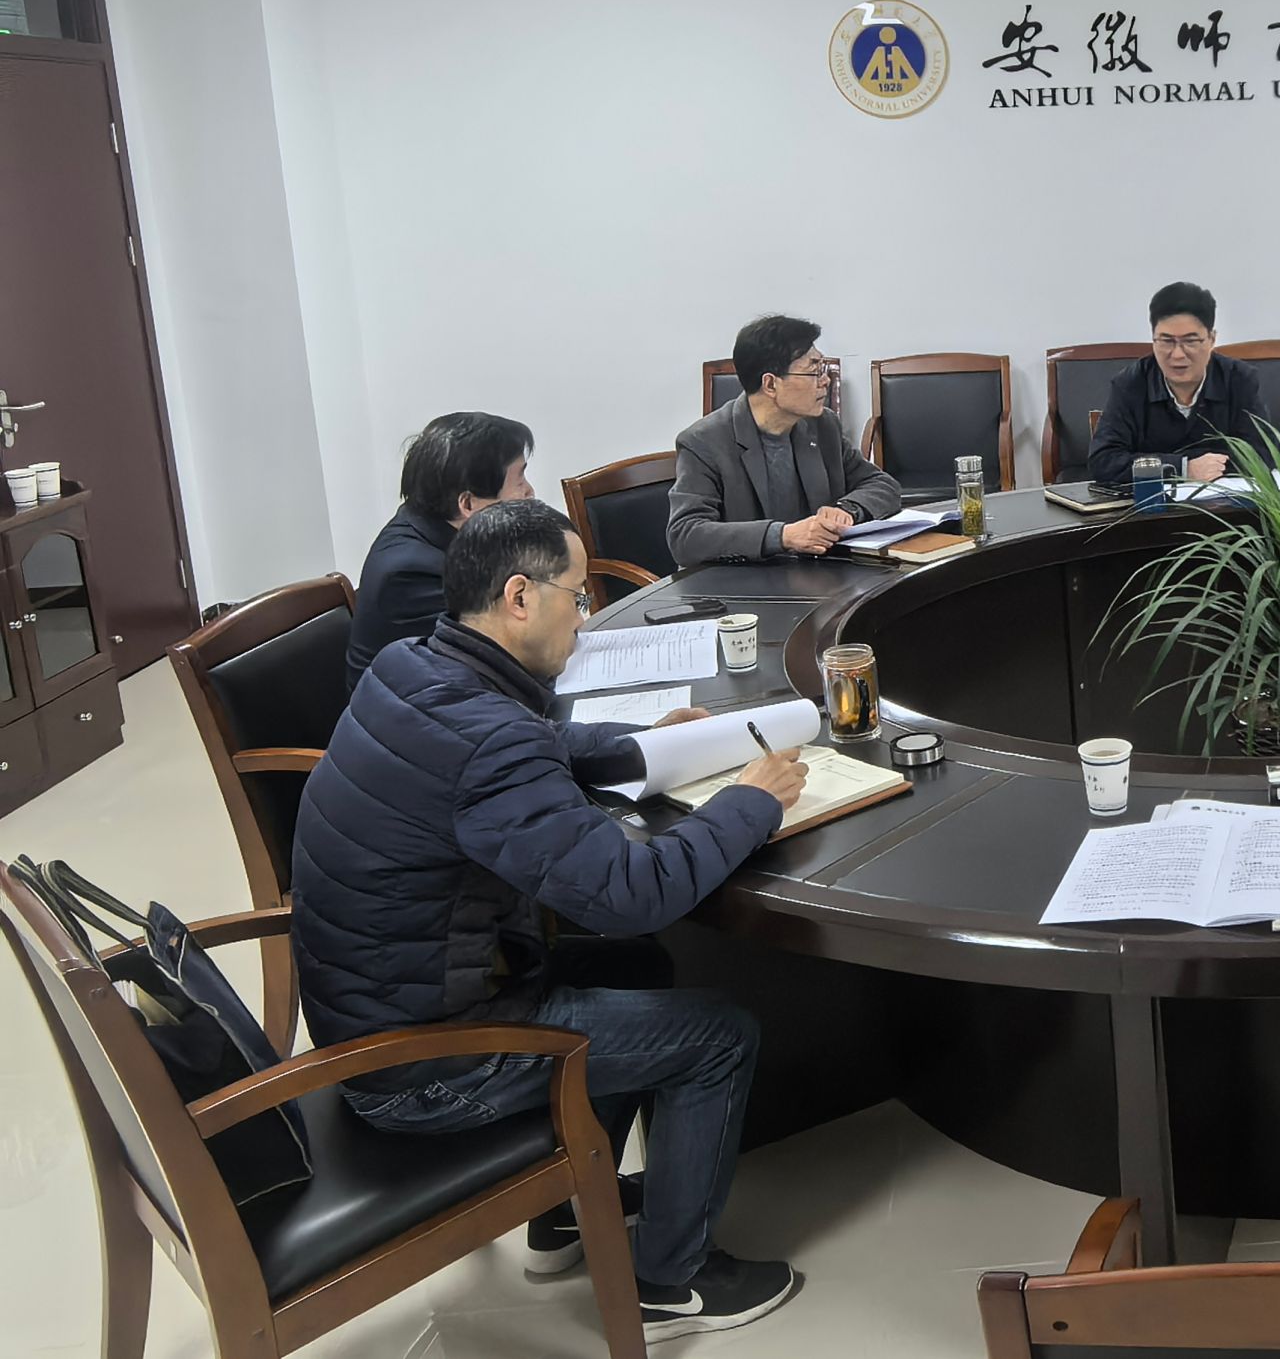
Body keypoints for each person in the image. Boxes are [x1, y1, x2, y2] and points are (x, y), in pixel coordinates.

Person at [294, 500, 809, 1338]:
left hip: (376, 1010)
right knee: (720, 1034)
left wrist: (648, 742)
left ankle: (568, 1207)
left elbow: (543, 740)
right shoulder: (489, 741)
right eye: (577, 595)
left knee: (640, 967)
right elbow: (633, 891)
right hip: (422, 1065)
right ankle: (673, 1280)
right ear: (519, 597)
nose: (585, 615)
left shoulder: (409, 667)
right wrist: (750, 802)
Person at [668, 314, 900, 567]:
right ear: (770, 384)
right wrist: (783, 536)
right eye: (814, 371)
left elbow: (882, 484)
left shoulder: (823, 426)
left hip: (817, 574)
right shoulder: (703, 442)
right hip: (743, 581)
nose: (825, 381)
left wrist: (847, 509)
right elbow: (685, 536)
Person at [346, 411, 533, 684]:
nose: (529, 492)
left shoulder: (451, 534)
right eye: (519, 481)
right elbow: (509, 647)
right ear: (468, 504)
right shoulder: (410, 573)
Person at [1085, 281, 1272, 487]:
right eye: (1166, 341)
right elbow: (1103, 461)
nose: (1177, 354)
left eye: (1190, 341)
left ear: (1211, 339)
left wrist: (1202, 466)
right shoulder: (1130, 384)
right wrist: (1184, 467)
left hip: (1224, 501)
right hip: (1152, 502)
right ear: (1153, 339)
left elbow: (1262, 456)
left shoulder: (1238, 379)